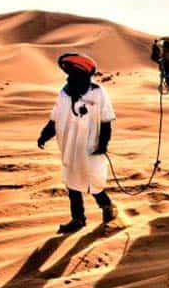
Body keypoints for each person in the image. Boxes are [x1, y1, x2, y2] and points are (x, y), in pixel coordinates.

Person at [37, 53, 118, 234]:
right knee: (72, 182)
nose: (69, 77)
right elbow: (55, 118)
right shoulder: (64, 94)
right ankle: (78, 219)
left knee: (94, 181)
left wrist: (103, 145)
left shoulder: (98, 93)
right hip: (70, 147)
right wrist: (44, 135)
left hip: (92, 147)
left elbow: (106, 121)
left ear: (84, 75)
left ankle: (108, 208)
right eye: (69, 73)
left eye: (74, 73)